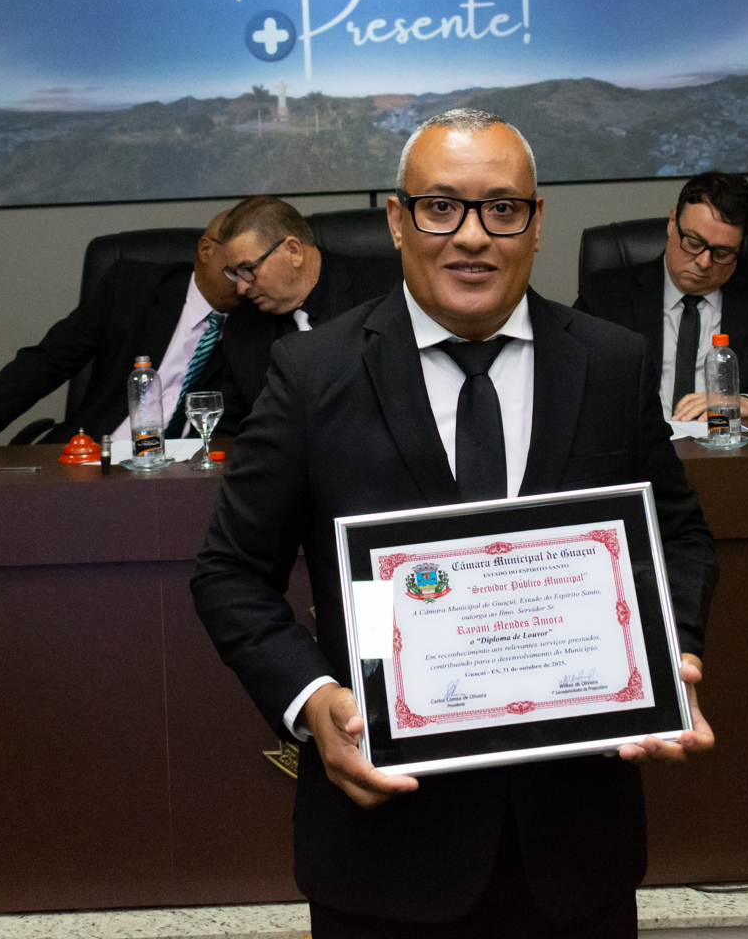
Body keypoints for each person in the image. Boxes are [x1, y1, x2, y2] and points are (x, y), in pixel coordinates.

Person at [193, 109, 717, 938]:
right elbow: (229, 572)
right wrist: (314, 702)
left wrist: (667, 653)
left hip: (575, 849)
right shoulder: (313, 372)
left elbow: (679, 537)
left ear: (537, 224)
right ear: (397, 220)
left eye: (502, 209)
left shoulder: (610, 362)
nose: (472, 236)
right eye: (441, 207)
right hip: (385, 851)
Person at [0, 211, 242, 453]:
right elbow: (46, 362)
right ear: (205, 250)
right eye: (234, 273)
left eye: (251, 273)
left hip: (191, 476)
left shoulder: (257, 322)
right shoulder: (131, 288)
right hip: (96, 462)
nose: (244, 286)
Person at [576, 171, 748, 421]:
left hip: (731, 445)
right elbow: (564, 380)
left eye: (722, 253)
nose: (704, 262)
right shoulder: (605, 295)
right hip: (637, 447)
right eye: (693, 243)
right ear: (672, 222)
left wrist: (745, 402)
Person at [210, 193, 401, 423]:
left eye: (248, 269)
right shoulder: (242, 328)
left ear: (294, 251)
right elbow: (231, 428)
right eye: (234, 273)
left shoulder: (387, 291)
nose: (241, 287)